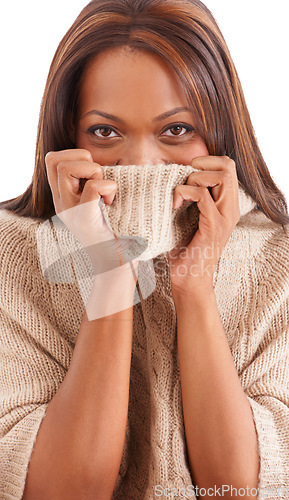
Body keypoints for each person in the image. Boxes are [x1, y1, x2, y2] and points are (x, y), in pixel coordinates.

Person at [0, 0, 288, 499]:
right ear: (69, 133)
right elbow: (64, 494)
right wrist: (107, 275)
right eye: (105, 132)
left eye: (176, 130)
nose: (140, 164)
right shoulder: (11, 255)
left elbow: (238, 491)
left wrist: (194, 285)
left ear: (219, 131)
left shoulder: (278, 259)